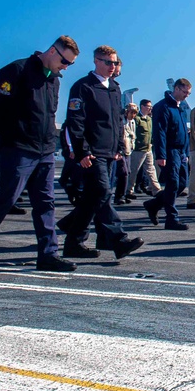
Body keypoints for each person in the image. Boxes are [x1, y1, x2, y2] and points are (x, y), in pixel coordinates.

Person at [0, 38, 82, 273]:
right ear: (52, 51)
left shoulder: (54, 79)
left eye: (70, 64)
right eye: (65, 61)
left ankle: (48, 254)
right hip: (18, 149)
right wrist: (5, 137)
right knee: (6, 199)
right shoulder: (15, 71)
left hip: (44, 151)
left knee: (46, 203)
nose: (66, 67)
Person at [55, 45, 145, 260]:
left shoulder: (114, 87)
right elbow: (75, 121)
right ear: (96, 61)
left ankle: (74, 236)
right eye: (108, 62)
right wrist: (81, 151)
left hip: (109, 152)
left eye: (115, 63)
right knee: (103, 192)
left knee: (95, 196)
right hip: (91, 152)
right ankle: (118, 239)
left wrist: (118, 149)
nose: (112, 66)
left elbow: (116, 121)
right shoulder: (83, 87)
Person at [144, 79, 192, 230]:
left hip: (180, 151)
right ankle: (172, 218)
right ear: (176, 89)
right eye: (184, 92)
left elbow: (184, 131)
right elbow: (160, 133)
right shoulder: (163, 107)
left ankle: (154, 204)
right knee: (172, 183)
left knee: (182, 183)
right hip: (169, 150)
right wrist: (161, 155)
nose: (186, 96)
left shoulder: (180, 108)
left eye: (188, 93)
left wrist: (185, 151)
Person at [128, 99, 161, 198]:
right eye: (148, 106)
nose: (150, 108)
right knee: (134, 170)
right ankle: (129, 190)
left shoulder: (149, 119)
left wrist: (151, 143)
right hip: (138, 149)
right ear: (142, 106)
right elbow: (132, 132)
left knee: (151, 169)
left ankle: (156, 189)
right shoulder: (137, 119)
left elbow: (150, 133)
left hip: (148, 149)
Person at [114, 103, 137, 205]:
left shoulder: (132, 122)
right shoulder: (121, 122)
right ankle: (119, 196)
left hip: (128, 150)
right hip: (121, 150)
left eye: (135, 113)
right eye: (131, 112)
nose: (133, 115)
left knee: (127, 172)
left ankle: (123, 194)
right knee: (123, 173)